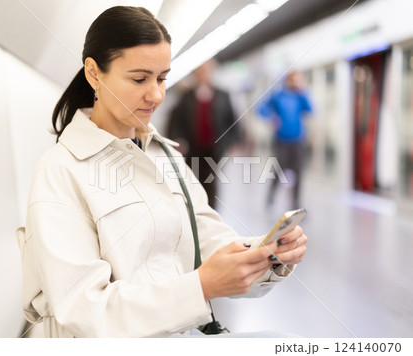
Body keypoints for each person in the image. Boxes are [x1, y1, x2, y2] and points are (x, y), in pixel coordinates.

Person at [17, 6, 307, 338]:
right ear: (94, 73)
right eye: (139, 78)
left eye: (162, 77)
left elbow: (209, 239)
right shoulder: (60, 171)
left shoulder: (166, 155)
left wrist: (266, 254)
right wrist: (200, 287)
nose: (156, 94)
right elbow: (84, 311)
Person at [167, 60, 241, 209]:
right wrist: (178, 140)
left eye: (206, 71)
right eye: (200, 71)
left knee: (210, 181)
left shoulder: (222, 95)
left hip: (215, 148)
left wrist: (234, 141)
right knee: (193, 180)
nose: (203, 75)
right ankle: (195, 211)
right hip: (193, 148)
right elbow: (176, 121)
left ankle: (211, 212)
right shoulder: (186, 97)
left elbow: (233, 120)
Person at [258, 71, 313, 210]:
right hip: (281, 140)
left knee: (298, 172)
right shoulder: (278, 95)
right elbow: (261, 108)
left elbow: (311, 109)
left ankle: (296, 203)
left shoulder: (300, 96)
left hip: (298, 139)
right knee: (279, 170)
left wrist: (303, 90)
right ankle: (271, 196)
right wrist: (271, 117)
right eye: (293, 80)